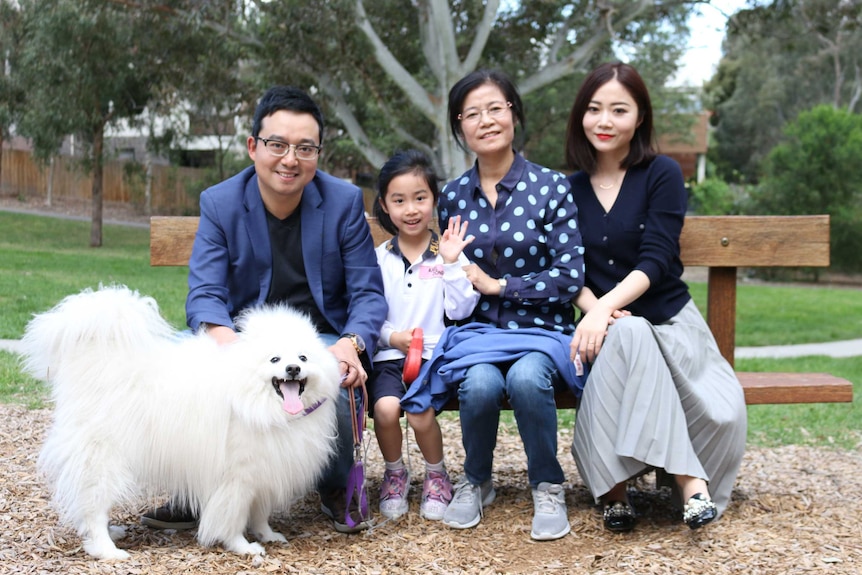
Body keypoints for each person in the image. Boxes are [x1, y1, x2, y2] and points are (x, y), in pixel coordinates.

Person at [141, 85, 387, 534]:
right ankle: (198, 488)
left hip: (321, 335)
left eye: (304, 147)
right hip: (244, 337)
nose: (290, 159)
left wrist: (352, 344)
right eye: (278, 144)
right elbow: (205, 293)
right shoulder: (221, 202)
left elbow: (368, 292)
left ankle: (334, 486)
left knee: (335, 374)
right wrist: (228, 347)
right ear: (254, 146)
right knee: (178, 366)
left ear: (318, 152)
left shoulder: (343, 202)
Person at [402, 69, 587, 541]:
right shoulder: (454, 196)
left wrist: (500, 285)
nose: (485, 121)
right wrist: (461, 281)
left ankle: (547, 484)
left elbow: (569, 277)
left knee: (526, 378)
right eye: (471, 113)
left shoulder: (551, 187)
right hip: (478, 333)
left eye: (495, 108)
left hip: (542, 330)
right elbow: (452, 276)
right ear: (459, 127)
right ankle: (476, 480)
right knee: (481, 383)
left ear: (514, 115)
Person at [564, 61, 747, 532]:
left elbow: (657, 259)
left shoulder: (661, 173)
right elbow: (567, 270)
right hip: (605, 333)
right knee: (629, 333)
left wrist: (604, 309)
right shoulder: (568, 189)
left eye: (618, 110)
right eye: (594, 109)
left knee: (635, 331)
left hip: (670, 325)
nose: (604, 121)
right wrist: (597, 312)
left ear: (640, 117)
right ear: (581, 116)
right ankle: (691, 484)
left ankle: (615, 491)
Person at [369, 149, 479, 521]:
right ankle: (395, 473)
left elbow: (461, 310)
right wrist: (391, 337)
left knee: (418, 413)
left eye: (420, 198)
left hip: (435, 357)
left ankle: (437, 475)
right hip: (389, 357)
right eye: (399, 200)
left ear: (434, 200)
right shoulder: (378, 258)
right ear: (385, 205)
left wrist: (450, 264)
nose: (411, 209)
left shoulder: (448, 253)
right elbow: (368, 314)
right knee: (385, 409)